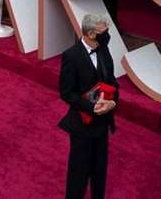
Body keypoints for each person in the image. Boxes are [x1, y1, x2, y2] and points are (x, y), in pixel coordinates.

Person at [58, 14, 119, 199]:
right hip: (82, 125)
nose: (107, 35)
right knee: (79, 172)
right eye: (104, 32)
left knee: (100, 171)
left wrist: (112, 102)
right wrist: (92, 107)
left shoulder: (104, 50)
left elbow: (113, 82)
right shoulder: (71, 56)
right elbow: (67, 93)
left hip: (102, 123)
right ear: (91, 34)